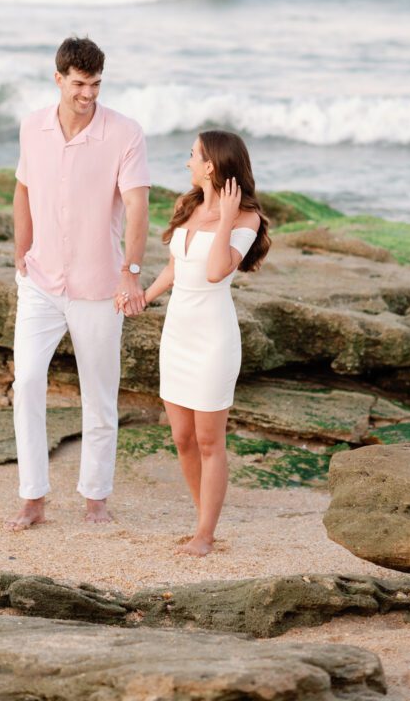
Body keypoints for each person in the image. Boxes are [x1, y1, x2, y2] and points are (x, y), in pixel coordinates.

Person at [7, 36, 150, 530]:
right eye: (79, 84)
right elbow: (22, 189)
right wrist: (20, 250)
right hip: (41, 281)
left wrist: (131, 272)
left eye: (95, 84)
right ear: (59, 79)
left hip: (99, 285)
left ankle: (96, 498)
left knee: (99, 394)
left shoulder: (125, 133)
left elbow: (136, 206)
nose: (88, 94)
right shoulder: (32, 127)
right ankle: (33, 497)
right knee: (26, 381)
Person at [127, 130, 270, 556]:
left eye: (192, 155)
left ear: (211, 165)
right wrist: (143, 298)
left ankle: (206, 535)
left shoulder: (246, 220)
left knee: (210, 441)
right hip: (177, 334)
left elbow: (214, 273)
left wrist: (224, 219)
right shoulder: (186, 205)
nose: (187, 161)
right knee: (182, 438)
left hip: (212, 338)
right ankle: (201, 519)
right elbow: (176, 267)